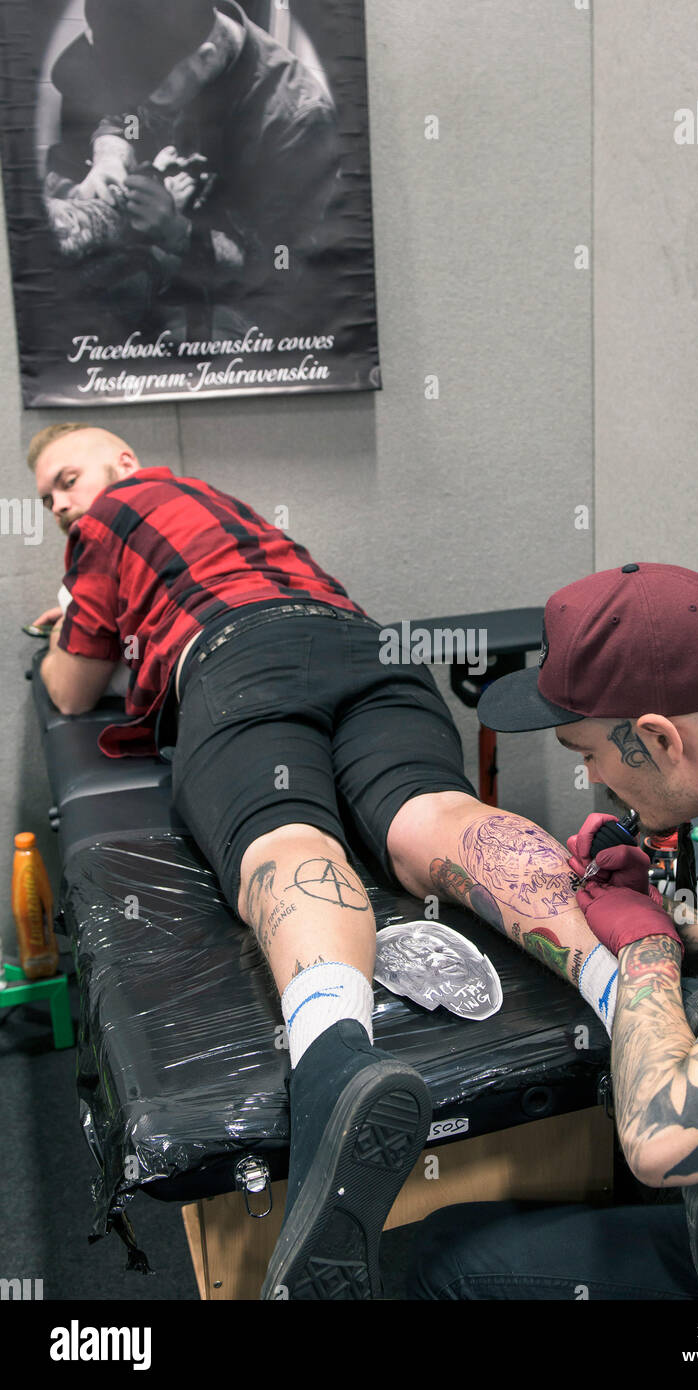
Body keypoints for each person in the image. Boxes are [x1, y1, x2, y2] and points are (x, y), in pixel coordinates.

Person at [28, 421, 605, 1301]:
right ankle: (628, 996)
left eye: (66, 479)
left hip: (240, 658)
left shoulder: (108, 520)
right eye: (49, 498)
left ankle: (337, 1062)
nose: (63, 502)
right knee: (435, 817)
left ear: (123, 466)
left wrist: (69, 618)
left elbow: (70, 686)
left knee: (286, 834)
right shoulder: (234, 512)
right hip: (369, 645)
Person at [409, 562, 698, 1300]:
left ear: (656, 740)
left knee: (448, 1267)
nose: (594, 781)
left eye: (587, 755)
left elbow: (663, 1144)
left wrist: (646, 947)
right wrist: (671, 915)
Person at [45, 0, 340, 337]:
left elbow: (284, 263)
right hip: (169, 264)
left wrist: (178, 233)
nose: (143, 100)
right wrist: (110, 154)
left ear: (206, 57)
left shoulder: (297, 122)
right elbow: (128, 118)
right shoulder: (163, 60)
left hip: (253, 300)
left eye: (153, 93)